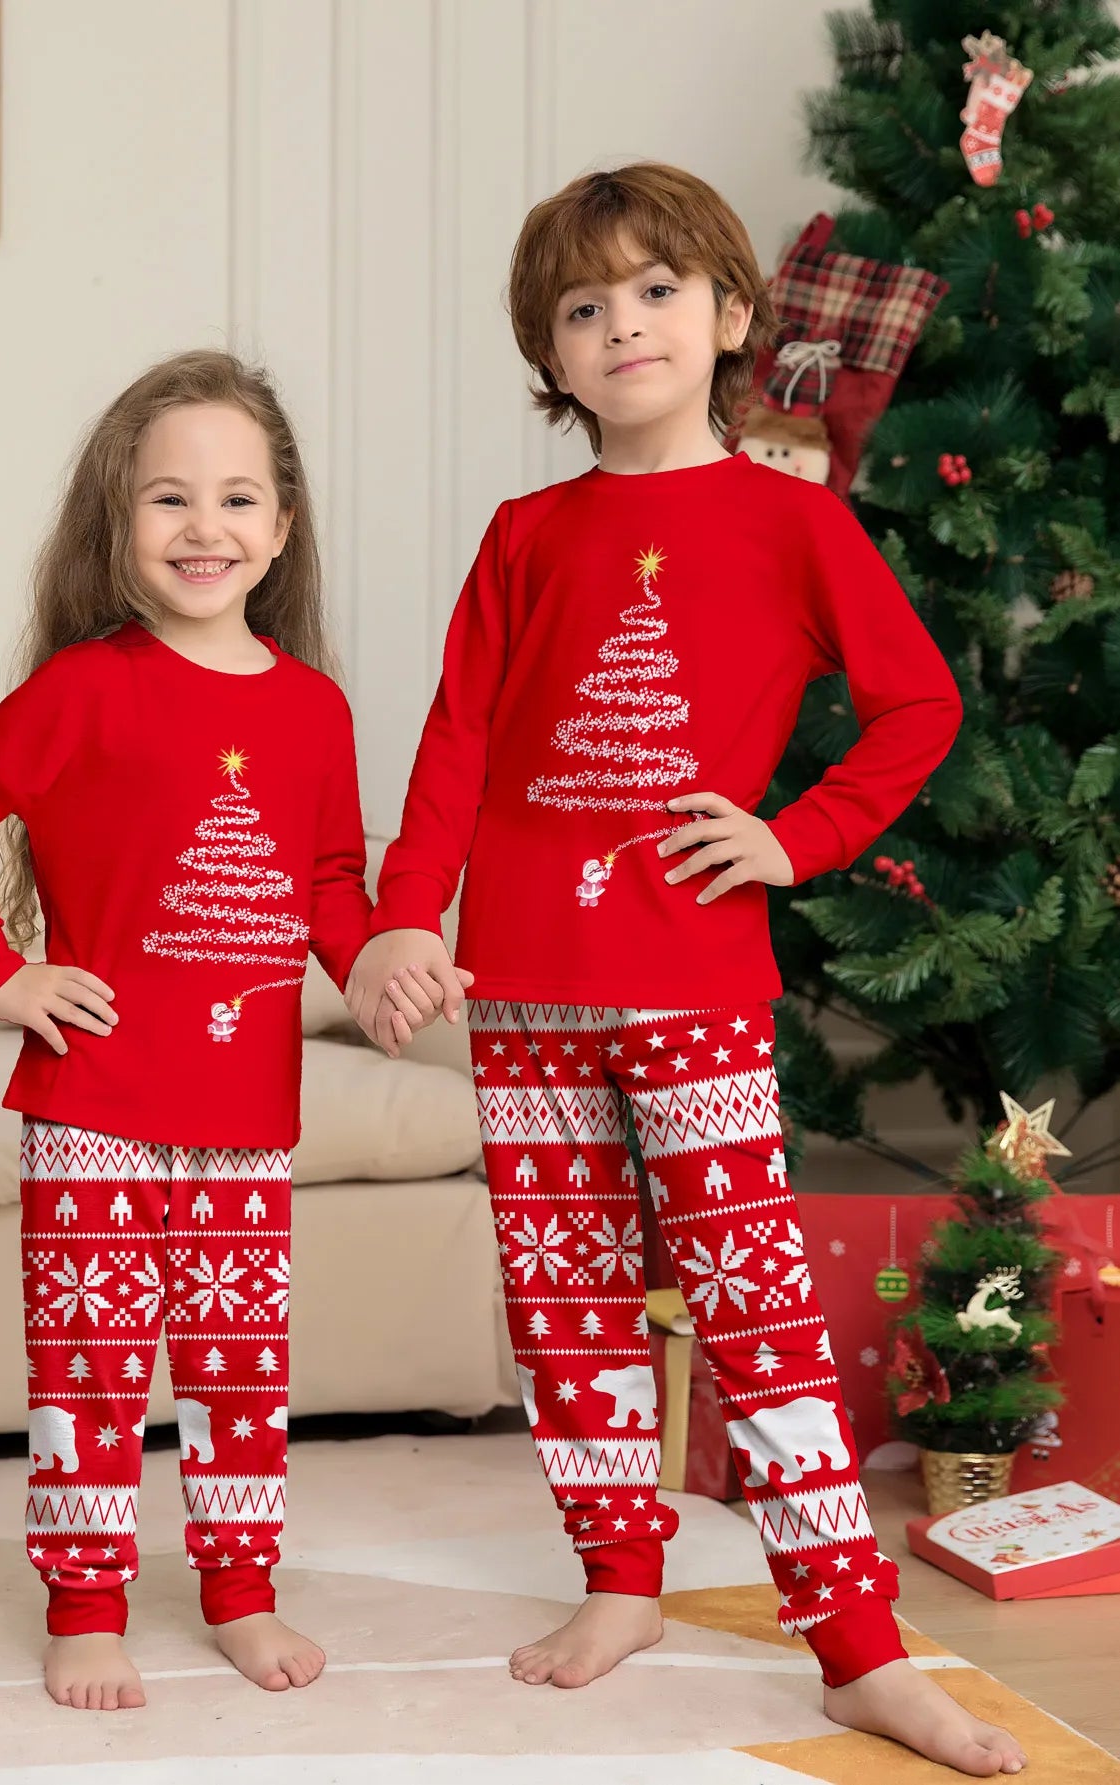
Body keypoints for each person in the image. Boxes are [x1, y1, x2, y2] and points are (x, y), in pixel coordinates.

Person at [345, 165, 1026, 1777]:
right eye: (581, 307)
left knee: (753, 1304)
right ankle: (619, 1581)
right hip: (515, 988)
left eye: (653, 289)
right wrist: (401, 914)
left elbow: (916, 708)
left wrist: (796, 839)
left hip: (690, 985)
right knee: (565, 1305)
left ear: (729, 318)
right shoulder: (526, 536)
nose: (619, 322)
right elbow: (454, 741)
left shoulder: (796, 524)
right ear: (552, 359)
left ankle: (855, 1648)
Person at [0, 350, 379, 1712]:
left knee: (239, 1374)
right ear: (119, 521)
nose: (204, 526)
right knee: (93, 1370)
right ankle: (87, 1604)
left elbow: (330, 886)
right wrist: (0, 974)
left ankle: (239, 1592)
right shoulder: (86, 687)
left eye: (236, 498)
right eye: (170, 497)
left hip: (244, 1115)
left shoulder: (311, 709)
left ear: (282, 528)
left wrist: (384, 963)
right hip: (93, 1099)